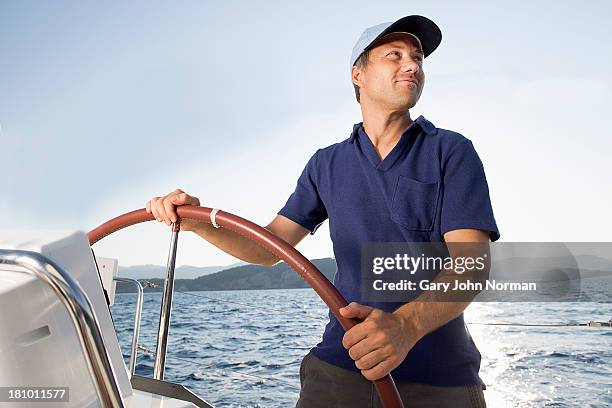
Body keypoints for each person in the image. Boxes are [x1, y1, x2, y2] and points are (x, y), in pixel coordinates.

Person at [146, 15, 499, 408]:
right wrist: (196, 221)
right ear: (358, 75)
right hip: (339, 370)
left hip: (438, 380)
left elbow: (472, 266)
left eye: (417, 57)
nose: (412, 65)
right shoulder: (326, 164)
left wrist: (404, 326)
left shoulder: (450, 151)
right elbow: (268, 247)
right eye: (394, 55)